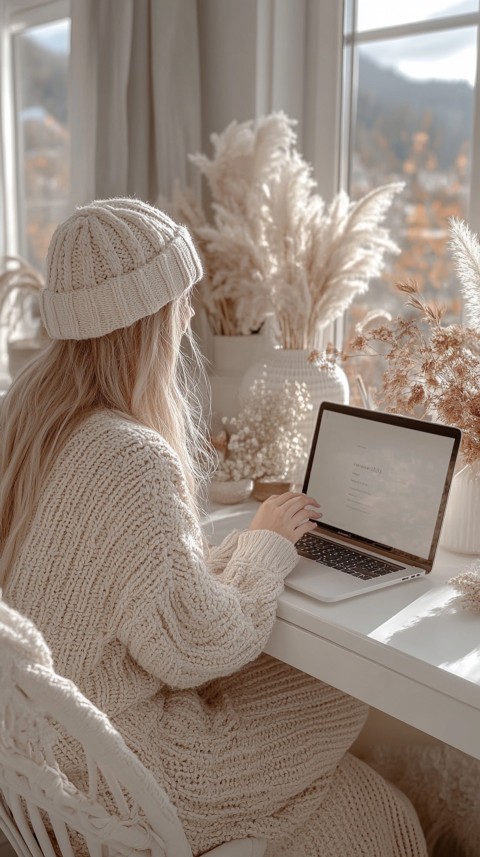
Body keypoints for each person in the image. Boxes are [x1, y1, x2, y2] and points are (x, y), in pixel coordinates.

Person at [0, 198, 427, 857]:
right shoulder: (130, 455)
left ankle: (286, 813)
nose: (191, 317)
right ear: (145, 321)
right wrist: (263, 548)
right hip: (123, 774)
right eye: (181, 301)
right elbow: (196, 648)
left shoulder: (26, 421)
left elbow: (135, 592)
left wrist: (226, 553)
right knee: (338, 700)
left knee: (317, 726)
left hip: (42, 762)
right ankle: (277, 821)